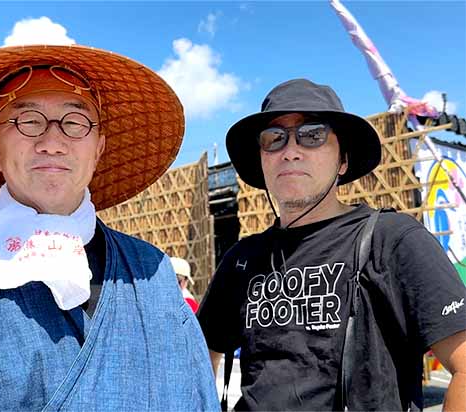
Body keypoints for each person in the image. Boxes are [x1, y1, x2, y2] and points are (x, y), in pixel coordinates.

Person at [0, 45, 219, 411]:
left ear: (98, 148)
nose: (52, 143)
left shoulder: (152, 273)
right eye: (28, 121)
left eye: (75, 122)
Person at [198, 78, 466, 410]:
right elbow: (198, 364)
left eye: (313, 135)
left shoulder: (393, 240)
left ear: (343, 160)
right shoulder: (241, 260)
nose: (291, 151)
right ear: (262, 161)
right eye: (273, 139)